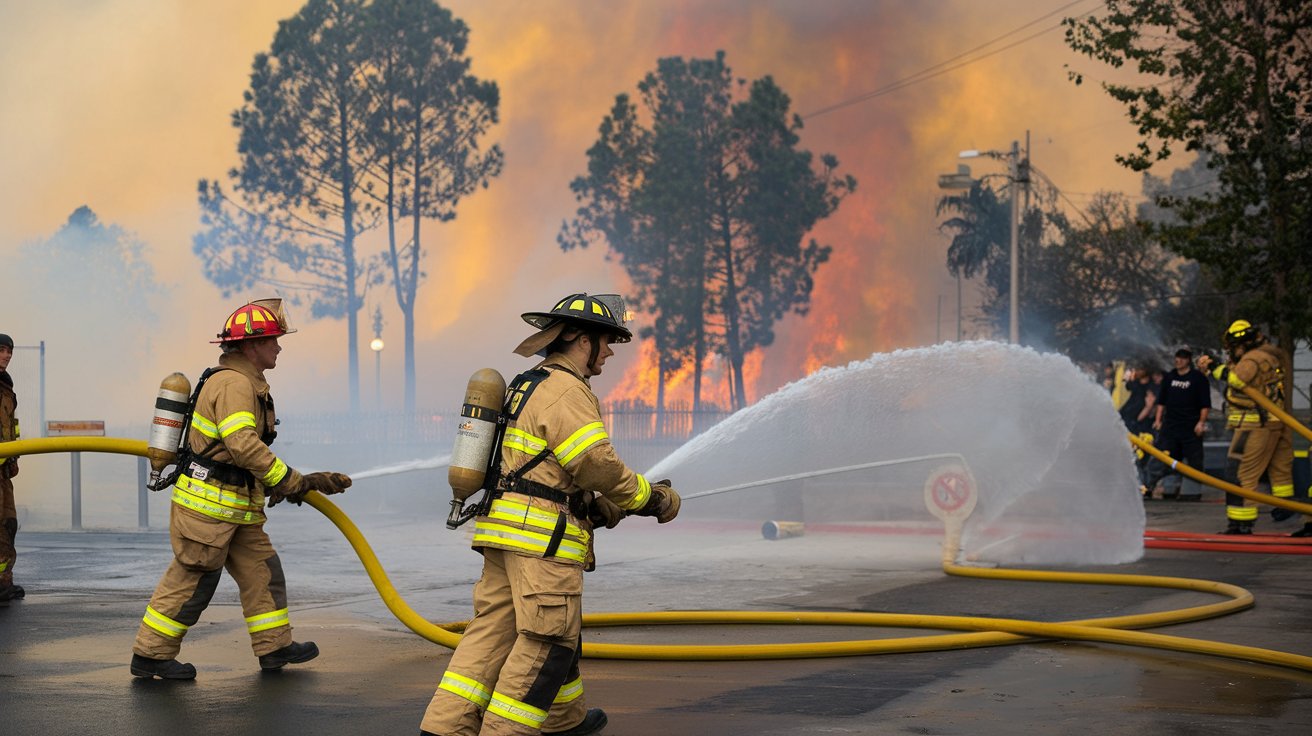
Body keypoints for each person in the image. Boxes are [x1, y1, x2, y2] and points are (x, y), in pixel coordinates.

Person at [419, 293, 681, 736]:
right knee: (548, 644)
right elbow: (596, 463)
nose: (610, 352)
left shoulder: (531, 381)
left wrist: (592, 504)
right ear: (581, 339)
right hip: (542, 543)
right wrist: (651, 499)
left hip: (507, 533)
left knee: (490, 637)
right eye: (606, 341)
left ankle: (449, 729)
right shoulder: (567, 390)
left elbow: (545, 468)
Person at [130, 299, 353, 679]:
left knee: (263, 572)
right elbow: (243, 445)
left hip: (237, 509)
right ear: (250, 345)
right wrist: (290, 480)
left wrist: (294, 481)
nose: (279, 347)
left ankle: (274, 646)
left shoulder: (244, 382)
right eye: (272, 340)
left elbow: (242, 453)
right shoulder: (233, 384)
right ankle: (151, 654)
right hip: (208, 511)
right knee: (194, 581)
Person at [1197, 320, 1300, 535]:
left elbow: (1237, 380)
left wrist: (1215, 367)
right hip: (1270, 421)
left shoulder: (1253, 359)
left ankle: (1241, 523)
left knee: (1240, 473)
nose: (1231, 351)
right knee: (1279, 469)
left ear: (1242, 343)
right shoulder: (1267, 356)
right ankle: (1286, 508)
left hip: (1254, 424)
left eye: (1233, 347)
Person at [1144, 348, 1211, 501]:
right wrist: (1158, 420)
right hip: (1170, 426)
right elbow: (1162, 401)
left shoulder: (1197, 378)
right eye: (1177, 358)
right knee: (1163, 457)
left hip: (1190, 427)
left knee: (1194, 460)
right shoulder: (1170, 377)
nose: (1178, 361)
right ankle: (1162, 488)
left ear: (1188, 360)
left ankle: (1192, 492)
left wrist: (1201, 423)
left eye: (1182, 358)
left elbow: (1205, 404)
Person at [0, 333, 25, 605]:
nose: (7, 355)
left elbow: (11, 427)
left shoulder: (7, 388)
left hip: (3, 471)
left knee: (7, 524)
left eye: (9, 351)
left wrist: (13, 457)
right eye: (2, 350)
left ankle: (3, 581)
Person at [1119, 363, 1158, 497]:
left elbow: (1149, 409)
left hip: (1141, 429)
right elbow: (1127, 384)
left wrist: (1147, 408)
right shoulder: (1135, 385)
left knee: (1140, 459)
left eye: (1139, 368)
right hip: (1128, 423)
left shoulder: (1150, 389)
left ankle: (1143, 487)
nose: (1136, 371)